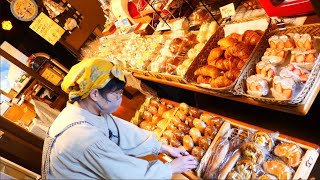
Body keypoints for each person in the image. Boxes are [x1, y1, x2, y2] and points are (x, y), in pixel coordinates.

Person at [41, 58, 199, 179]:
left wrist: (162, 147)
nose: (120, 99)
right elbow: (126, 173)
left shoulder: (82, 110)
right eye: (117, 94)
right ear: (95, 94)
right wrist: (169, 168)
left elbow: (121, 130)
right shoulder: (84, 137)